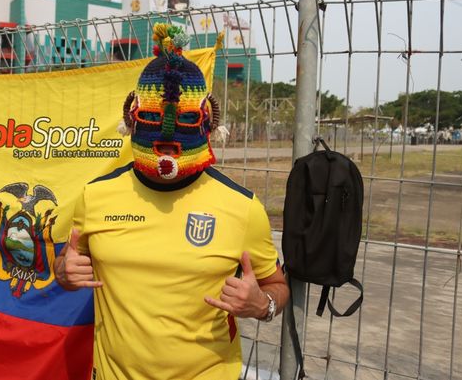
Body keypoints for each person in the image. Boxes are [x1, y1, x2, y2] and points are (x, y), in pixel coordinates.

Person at [54, 24, 289, 380]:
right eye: (152, 120)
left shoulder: (242, 207)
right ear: (132, 119)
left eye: (184, 122)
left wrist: (262, 305)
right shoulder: (95, 196)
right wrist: (64, 274)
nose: (167, 148)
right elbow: (67, 266)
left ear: (208, 122)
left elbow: (278, 286)